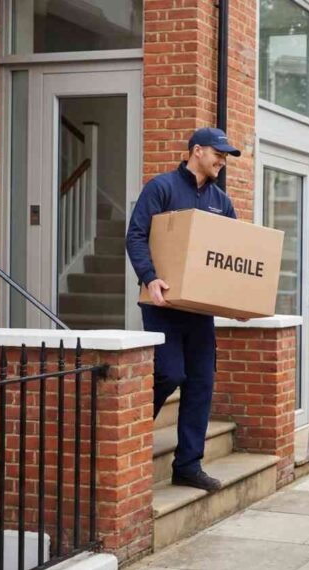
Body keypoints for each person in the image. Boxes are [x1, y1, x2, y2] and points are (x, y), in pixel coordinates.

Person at [125, 127, 241, 492]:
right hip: (163, 303)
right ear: (196, 150)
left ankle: (188, 465)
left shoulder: (221, 201)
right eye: (218, 154)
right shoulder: (161, 188)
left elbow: (232, 254)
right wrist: (150, 277)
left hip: (200, 310)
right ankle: (130, 432)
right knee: (170, 373)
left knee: (201, 384)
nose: (223, 160)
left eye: (226, 155)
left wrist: (237, 299)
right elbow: (136, 234)